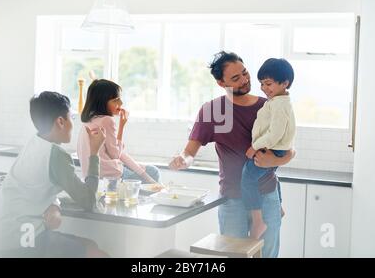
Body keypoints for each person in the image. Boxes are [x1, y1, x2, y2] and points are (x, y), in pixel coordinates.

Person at [169, 51, 295, 258]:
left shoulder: (269, 105)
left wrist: (275, 159)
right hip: (232, 199)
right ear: (221, 83)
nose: (245, 80)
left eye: (245, 73)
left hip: (267, 197)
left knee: (267, 255)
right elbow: (190, 152)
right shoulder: (212, 110)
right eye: (236, 78)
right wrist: (183, 160)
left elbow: (290, 149)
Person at [0, 91, 108, 257]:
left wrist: (55, 204)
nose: (72, 124)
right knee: (97, 254)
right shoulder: (56, 155)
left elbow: (39, 186)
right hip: (22, 239)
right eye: (71, 118)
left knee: (90, 245)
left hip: (3, 234)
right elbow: (89, 200)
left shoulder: (34, 142)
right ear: (60, 121)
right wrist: (94, 152)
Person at [242, 58, 296, 240]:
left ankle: (258, 221)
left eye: (269, 83)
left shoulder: (279, 104)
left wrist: (254, 146)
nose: (264, 88)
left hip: (272, 148)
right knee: (270, 174)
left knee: (247, 177)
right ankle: (279, 207)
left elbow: (274, 134)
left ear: (285, 83)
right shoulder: (277, 101)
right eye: (262, 84)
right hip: (276, 149)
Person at [77, 79, 160, 191]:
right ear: (102, 102)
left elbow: (119, 154)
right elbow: (116, 154)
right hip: (109, 176)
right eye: (116, 100)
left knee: (145, 172)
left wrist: (145, 175)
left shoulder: (88, 120)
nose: (120, 103)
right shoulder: (107, 121)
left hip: (92, 175)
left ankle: (139, 190)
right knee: (153, 171)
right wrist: (122, 125)